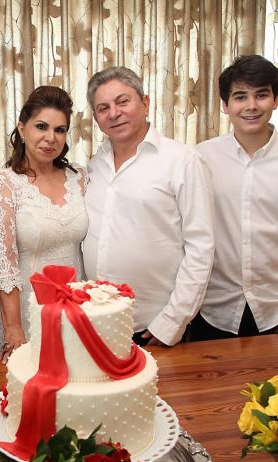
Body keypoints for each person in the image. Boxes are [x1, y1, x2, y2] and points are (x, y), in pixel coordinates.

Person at [191, 55, 278, 340]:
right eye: (240, 96)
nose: (251, 106)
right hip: (212, 307)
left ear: (275, 100)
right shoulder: (201, 157)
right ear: (225, 105)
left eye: (261, 95)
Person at [84, 67, 214, 347]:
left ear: (145, 103)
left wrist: (173, 321)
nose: (114, 113)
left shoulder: (181, 160)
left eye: (123, 101)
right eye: (103, 108)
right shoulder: (95, 164)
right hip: (96, 321)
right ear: (96, 118)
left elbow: (201, 247)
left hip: (153, 326)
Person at [0, 86, 87, 359]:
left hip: (78, 309)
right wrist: (13, 328)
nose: (50, 138)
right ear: (22, 129)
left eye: (60, 130)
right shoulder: (4, 183)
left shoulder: (79, 178)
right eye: (41, 126)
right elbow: (4, 267)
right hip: (30, 312)